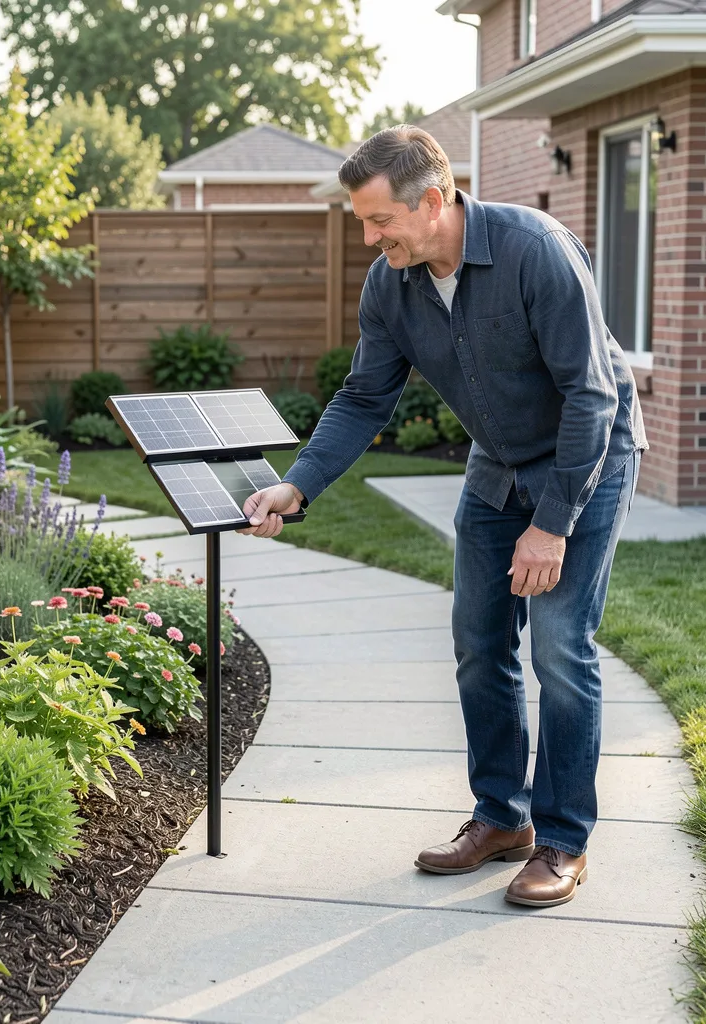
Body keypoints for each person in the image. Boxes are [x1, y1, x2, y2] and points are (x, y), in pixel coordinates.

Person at [239, 125, 647, 908]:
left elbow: (592, 399)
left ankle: (563, 840)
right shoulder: (391, 282)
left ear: (433, 200)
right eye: (362, 220)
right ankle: (503, 817)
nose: (369, 236)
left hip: (586, 460)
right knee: (477, 640)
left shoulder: (537, 251)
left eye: (379, 219)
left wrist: (552, 523)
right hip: (498, 465)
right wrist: (299, 486)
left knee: (561, 648)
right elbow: (365, 396)